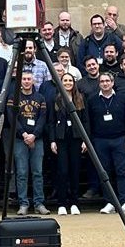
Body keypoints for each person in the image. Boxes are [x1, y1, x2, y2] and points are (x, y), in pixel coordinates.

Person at [86, 70, 125, 214]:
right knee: (105, 173)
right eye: (102, 81)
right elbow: (89, 122)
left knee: (122, 171)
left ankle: (124, 202)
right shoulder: (92, 100)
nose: (105, 83)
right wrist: (90, 141)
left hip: (120, 139)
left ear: (112, 83)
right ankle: (109, 202)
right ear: (99, 84)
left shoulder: (122, 99)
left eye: (107, 81)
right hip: (100, 140)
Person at [47, 70, 89, 215]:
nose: (68, 83)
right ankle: (62, 203)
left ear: (74, 82)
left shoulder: (80, 98)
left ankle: (74, 203)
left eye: (70, 80)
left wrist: (85, 140)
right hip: (61, 139)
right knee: (62, 171)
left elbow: (85, 121)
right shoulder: (55, 99)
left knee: (75, 171)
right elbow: (51, 121)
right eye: (65, 80)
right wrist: (52, 140)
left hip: (76, 139)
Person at [12, 70, 50, 215]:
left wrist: (34, 135)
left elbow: (42, 119)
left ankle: (39, 203)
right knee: (22, 173)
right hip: (19, 139)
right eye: (24, 79)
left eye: (29, 79)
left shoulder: (40, 98)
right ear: (20, 81)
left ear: (33, 81)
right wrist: (23, 134)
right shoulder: (13, 97)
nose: (27, 81)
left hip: (37, 139)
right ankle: (23, 204)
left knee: (37, 172)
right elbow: (11, 117)